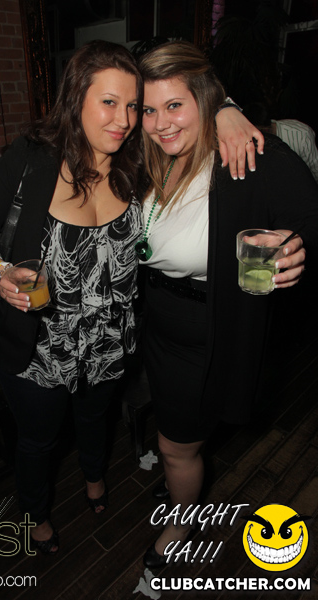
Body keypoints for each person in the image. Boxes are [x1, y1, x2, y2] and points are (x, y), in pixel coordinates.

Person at [0, 40, 265, 556]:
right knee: (38, 440)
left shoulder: (136, 164)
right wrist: (0, 272)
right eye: (109, 102)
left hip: (109, 342)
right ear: (76, 98)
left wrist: (227, 110)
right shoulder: (30, 160)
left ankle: (95, 477)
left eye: (132, 105)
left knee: (95, 420)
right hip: (38, 349)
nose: (124, 120)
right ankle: (35, 513)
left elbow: (187, 118)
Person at [136, 41, 318, 568]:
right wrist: (224, 107)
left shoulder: (246, 154)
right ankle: (180, 479)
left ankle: (180, 522)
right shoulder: (148, 158)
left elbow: (309, 217)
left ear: (203, 98)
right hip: (154, 322)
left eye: (175, 105)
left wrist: (297, 245)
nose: (161, 123)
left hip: (206, 329)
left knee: (176, 445)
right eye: (149, 109)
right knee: (175, 432)